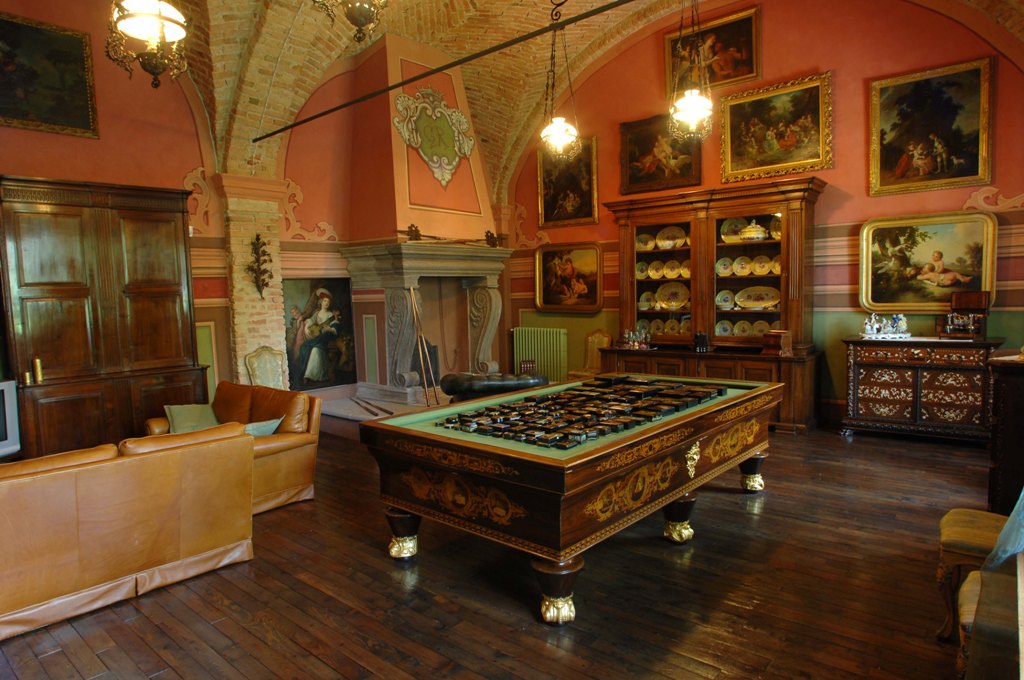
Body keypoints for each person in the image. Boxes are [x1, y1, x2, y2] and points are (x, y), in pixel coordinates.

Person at [298, 289, 340, 383]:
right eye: (325, 301)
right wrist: (306, 328)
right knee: (304, 348)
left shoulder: (330, 314)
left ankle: (308, 375)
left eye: (328, 301)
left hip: (325, 339)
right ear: (321, 302)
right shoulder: (317, 313)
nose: (326, 303)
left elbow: (335, 327)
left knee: (315, 349)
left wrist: (329, 329)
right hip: (317, 338)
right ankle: (305, 373)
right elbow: (310, 321)